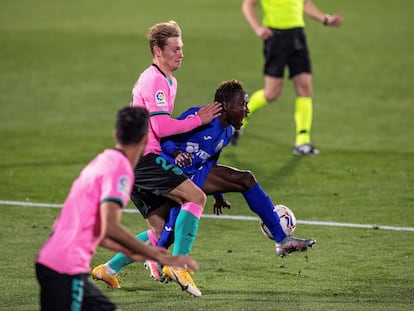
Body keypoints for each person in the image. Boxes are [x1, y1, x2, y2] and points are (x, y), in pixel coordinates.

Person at [93, 80, 316, 291]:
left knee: (164, 230)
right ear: (227, 106)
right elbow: (165, 137)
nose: (247, 110)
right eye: (243, 104)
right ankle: (163, 261)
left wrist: (217, 193)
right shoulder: (201, 117)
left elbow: (210, 161)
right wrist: (177, 152)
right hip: (158, 172)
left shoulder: (227, 132)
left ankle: (109, 269)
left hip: (180, 177)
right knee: (167, 231)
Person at [92, 21, 221, 297]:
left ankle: (109, 269)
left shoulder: (169, 80)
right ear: (157, 50)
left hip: (136, 161)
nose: (181, 54)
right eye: (175, 49)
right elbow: (161, 127)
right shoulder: (154, 80)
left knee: (161, 231)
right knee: (196, 198)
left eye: (182, 48)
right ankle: (179, 266)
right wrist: (197, 120)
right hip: (142, 160)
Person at [35, 106, 199, 311]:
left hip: (55, 260)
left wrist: (129, 250)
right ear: (145, 139)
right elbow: (111, 226)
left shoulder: (102, 161)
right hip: (64, 268)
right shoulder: (120, 170)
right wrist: (160, 256)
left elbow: (94, 228)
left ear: (116, 134)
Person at [236, 0, 343, 155]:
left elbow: (304, 3)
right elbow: (247, 4)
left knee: (305, 86)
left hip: (298, 36)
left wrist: (325, 19)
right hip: (275, 38)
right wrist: (257, 28)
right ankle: (241, 118)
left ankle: (302, 141)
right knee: (271, 94)